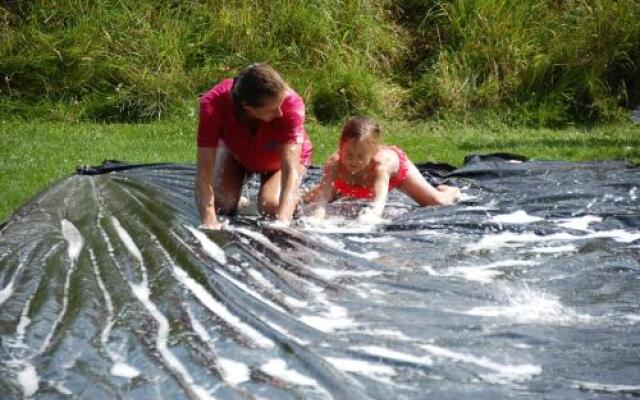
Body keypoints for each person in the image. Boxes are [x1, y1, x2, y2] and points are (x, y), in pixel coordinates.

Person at [196, 63, 312, 229]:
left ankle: (304, 201)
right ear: (248, 108)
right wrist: (209, 221)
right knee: (222, 204)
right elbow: (203, 173)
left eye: (280, 105)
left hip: (278, 160)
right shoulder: (213, 104)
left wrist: (283, 222)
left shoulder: (291, 105)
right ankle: (237, 196)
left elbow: (290, 171)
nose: (280, 113)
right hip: (236, 151)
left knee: (271, 205)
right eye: (272, 109)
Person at [303, 116, 460, 221]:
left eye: (360, 156)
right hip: (348, 182)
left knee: (438, 202)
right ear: (340, 147)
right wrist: (317, 220)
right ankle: (331, 192)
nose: (354, 161)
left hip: (395, 176)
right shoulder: (334, 165)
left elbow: (378, 203)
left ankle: (450, 191)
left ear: (373, 152)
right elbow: (321, 201)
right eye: (348, 154)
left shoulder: (380, 166)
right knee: (304, 202)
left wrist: (367, 220)